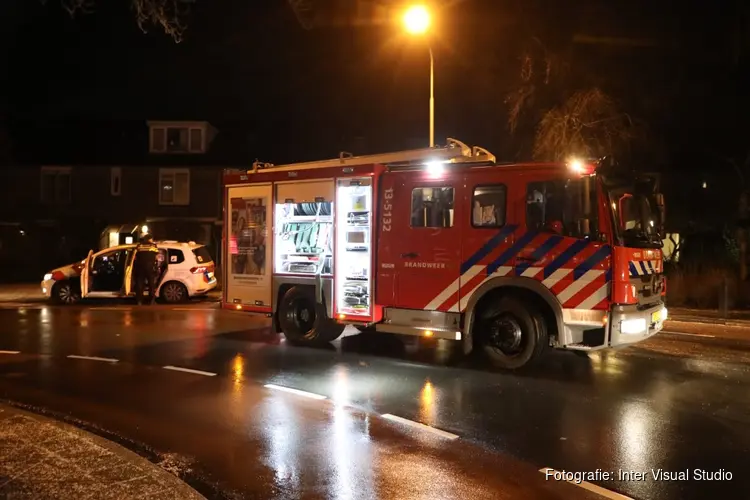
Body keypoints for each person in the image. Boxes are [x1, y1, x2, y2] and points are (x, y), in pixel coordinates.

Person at [134, 234, 159, 305]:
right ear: (150, 239)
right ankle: (152, 300)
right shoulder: (153, 246)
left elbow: (135, 257)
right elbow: (157, 257)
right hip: (150, 267)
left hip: (140, 267)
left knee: (140, 284)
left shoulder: (139, 246)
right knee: (151, 284)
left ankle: (139, 301)